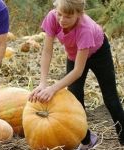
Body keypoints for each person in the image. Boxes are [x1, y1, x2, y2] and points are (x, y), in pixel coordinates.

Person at [28, 0, 124, 149]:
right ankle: (87, 140)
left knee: (111, 99)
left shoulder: (85, 28)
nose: (61, 20)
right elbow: (47, 51)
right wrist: (43, 83)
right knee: (75, 97)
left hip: (99, 53)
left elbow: (78, 71)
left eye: (68, 16)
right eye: (60, 14)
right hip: (74, 54)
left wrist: (53, 89)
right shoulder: (52, 17)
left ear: (79, 14)